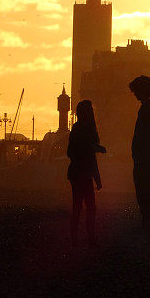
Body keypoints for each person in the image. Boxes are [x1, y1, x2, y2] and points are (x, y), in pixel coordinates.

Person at [67, 100, 106, 248]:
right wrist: (98, 179)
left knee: (78, 206)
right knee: (90, 207)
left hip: (76, 172)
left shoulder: (76, 128)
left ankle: (76, 240)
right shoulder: (88, 129)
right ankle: (89, 240)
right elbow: (90, 158)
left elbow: (70, 152)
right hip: (82, 173)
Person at [129, 75, 150, 240]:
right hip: (145, 160)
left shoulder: (147, 109)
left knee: (144, 196)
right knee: (145, 195)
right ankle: (148, 228)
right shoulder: (149, 108)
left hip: (144, 161)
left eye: (136, 91)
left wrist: (147, 159)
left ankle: (149, 229)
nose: (134, 94)